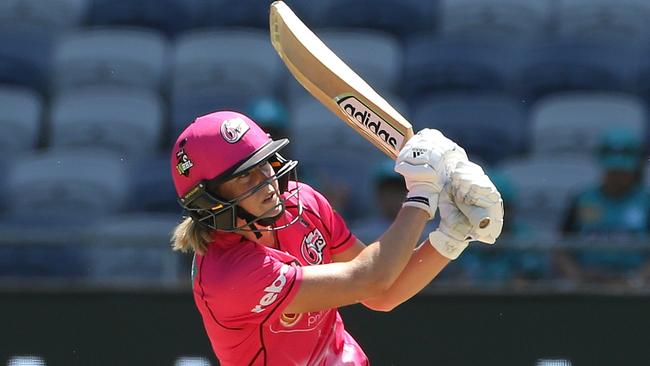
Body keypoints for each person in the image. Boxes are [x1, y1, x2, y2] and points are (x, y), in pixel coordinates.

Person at [169, 111, 503, 365]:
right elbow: (369, 279)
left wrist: (453, 235)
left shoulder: (304, 203)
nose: (267, 182)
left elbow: (383, 293)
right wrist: (421, 195)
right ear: (210, 199)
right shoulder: (230, 276)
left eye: (265, 164)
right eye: (244, 178)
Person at [558, 128, 650, 285]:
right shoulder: (582, 199)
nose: (617, 176)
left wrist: (637, 279)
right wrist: (577, 276)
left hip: (634, 289)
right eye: (612, 171)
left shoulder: (645, 202)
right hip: (588, 284)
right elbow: (560, 248)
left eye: (622, 171)